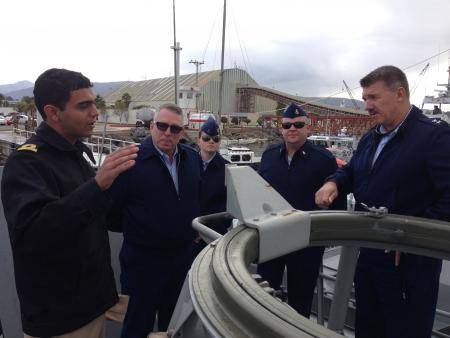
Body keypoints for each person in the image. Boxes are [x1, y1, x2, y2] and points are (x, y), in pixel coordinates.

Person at [1, 68, 139, 337]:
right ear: (53, 112)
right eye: (84, 105)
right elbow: (35, 234)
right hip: (60, 320)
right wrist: (97, 185)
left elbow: (94, 216)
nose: (95, 112)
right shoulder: (27, 162)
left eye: (94, 103)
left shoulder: (74, 152)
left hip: (91, 306)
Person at [315, 65, 450, 338]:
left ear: (399, 93)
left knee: (404, 330)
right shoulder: (371, 137)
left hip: (409, 264)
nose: (367, 105)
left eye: (373, 97)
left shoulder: (433, 137)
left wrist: (412, 237)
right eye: (365, 98)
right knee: (369, 326)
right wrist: (334, 183)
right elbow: (351, 171)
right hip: (371, 251)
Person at [108, 103, 201, 338]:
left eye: (175, 129)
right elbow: (111, 214)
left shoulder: (192, 160)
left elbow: (196, 199)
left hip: (181, 261)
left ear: (183, 131)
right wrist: (143, 230)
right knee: (136, 326)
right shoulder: (131, 162)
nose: (168, 133)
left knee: (174, 328)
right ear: (152, 126)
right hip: (142, 264)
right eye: (162, 126)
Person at [257, 102, 345, 317]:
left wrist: (325, 238)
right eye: (287, 125)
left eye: (298, 124)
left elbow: (337, 202)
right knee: (263, 296)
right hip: (272, 237)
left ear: (308, 127)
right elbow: (258, 194)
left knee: (301, 300)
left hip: (306, 242)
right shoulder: (269, 156)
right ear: (281, 129)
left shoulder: (323, 160)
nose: (292, 129)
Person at [197, 116, 230, 244]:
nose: (211, 141)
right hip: (189, 233)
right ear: (198, 140)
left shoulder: (228, 169)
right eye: (206, 138)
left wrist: (209, 230)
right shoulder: (187, 164)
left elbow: (228, 206)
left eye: (215, 139)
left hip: (215, 234)